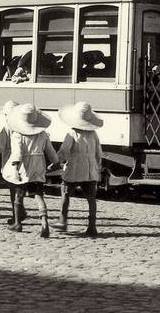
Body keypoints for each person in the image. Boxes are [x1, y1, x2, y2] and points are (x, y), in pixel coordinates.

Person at [3, 103, 58, 238]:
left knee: (19, 196)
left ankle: (17, 223)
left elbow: (17, 153)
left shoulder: (17, 134)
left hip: (24, 167)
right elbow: (50, 151)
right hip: (38, 165)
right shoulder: (42, 134)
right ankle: (44, 222)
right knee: (38, 194)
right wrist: (55, 163)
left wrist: (15, 168)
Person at [56, 101, 105, 237]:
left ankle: (63, 221)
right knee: (91, 199)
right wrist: (97, 167)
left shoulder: (72, 133)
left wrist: (56, 162)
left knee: (65, 193)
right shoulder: (94, 134)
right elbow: (99, 153)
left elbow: (64, 151)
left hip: (74, 169)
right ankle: (92, 226)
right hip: (90, 170)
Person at [0, 101, 27, 225]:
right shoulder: (25, 125)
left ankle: (17, 216)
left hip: (11, 161)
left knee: (13, 190)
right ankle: (21, 211)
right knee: (20, 190)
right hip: (25, 161)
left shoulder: (7, 128)